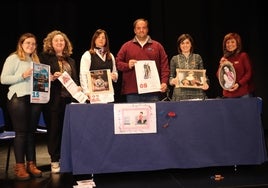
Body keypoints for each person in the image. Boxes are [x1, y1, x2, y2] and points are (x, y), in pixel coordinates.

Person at [0, 33, 42, 180]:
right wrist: (22, 76)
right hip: (18, 97)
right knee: (22, 133)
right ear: (21, 44)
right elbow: (3, 79)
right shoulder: (13, 58)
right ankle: (19, 166)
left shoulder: (35, 60)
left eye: (33, 44)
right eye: (28, 43)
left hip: (34, 98)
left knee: (31, 133)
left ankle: (31, 164)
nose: (30, 46)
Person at [39, 30, 80, 173]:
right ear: (50, 43)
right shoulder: (43, 57)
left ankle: (65, 159)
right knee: (54, 131)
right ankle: (54, 160)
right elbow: (40, 78)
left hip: (68, 101)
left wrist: (78, 87)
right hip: (53, 101)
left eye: (62, 41)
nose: (59, 43)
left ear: (65, 43)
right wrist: (50, 77)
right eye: (56, 40)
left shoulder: (71, 60)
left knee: (66, 131)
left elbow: (74, 80)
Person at [116, 18, 170, 102]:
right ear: (135, 30)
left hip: (153, 90)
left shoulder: (157, 46)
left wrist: (164, 82)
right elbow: (118, 63)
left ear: (147, 29)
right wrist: (127, 65)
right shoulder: (126, 46)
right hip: (133, 92)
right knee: (133, 115)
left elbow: (164, 66)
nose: (141, 30)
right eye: (138, 28)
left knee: (153, 115)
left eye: (144, 28)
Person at [80, 29, 118, 101]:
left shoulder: (110, 56)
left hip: (108, 95)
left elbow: (115, 72)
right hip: (94, 94)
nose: (101, 39)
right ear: (94, 39)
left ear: (106, 40)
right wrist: (86, 91)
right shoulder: (87, 55)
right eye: (98, 37)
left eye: (103, 38)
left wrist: (115, 76)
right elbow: (83, 74)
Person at [169, 34, 209, 101]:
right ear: (179, 45)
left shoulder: (197, 57)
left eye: (187, 43)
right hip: (180, 95)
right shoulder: (174, 59)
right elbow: (171, 77)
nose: (185, 45)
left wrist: (206, 83)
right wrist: (173, 81)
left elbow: (203, 75)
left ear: (191, 44)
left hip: (197, 94)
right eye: (182, 43)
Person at [216, 32, 255, 98]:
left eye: (232, 42)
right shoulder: (224, 58)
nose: (230, 44)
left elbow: (249, 73)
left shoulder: (243, 56)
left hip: (243, 93)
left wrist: (239, 84)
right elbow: (219, 76)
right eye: (227, 42)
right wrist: (221, 66)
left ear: (237, 43)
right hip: (228, 94)